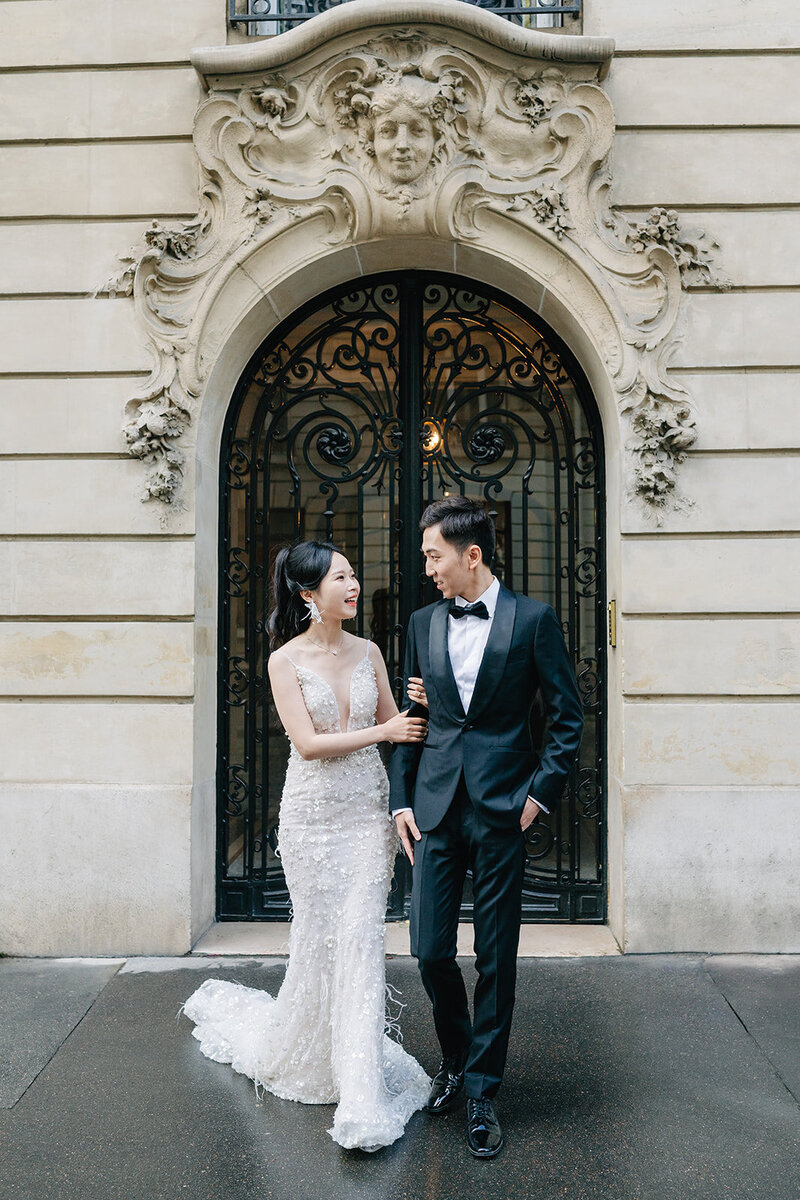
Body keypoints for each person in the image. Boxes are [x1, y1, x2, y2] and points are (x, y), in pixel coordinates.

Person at [183, 540, 431, 1152]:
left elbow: (404, 731)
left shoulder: (370, 650)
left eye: (353, 575)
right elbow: (310, 744)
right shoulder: (283, 661)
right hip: (312, 820)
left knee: (361, 941)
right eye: (341, 577)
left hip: (367, 815)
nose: (353, 585)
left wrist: (423, 709)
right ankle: (308, 1054)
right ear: (307, 594)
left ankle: (362, 1089)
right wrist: (386, 728)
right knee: (319, 943)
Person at [389, 497, 584, 1159]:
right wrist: (400, 798)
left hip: (504, 809)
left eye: (434, 555)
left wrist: (539, 797)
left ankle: (481, 1091)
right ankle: (456, 1057)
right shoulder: (420, 623)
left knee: (496, 959)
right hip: (437, 807)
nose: (428, 568)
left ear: (471, 555)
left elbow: (566, 719)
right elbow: (416, 719)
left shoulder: (533, 620)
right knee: (429, 951)